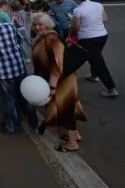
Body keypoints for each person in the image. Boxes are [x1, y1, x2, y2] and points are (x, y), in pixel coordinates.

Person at [31, 12, 86, 152]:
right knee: (68, 107)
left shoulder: (52, 38)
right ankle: (75, 135)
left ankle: (72, 143)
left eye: (40, 24)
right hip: (58, 79)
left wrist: (52, 86)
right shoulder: (42, 38)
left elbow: (57, 65)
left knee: (65, 110)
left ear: (47, 24)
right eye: (35, 25)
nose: (37, 27)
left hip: (61, 80)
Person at [0, 11, 38, 133]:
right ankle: (33, 121)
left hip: (2, 72)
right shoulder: (10, 26)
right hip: (18, 67)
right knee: (25, 94)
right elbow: (20, 40)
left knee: (9, 100)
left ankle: (12, 127)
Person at [71, 0, 118, 97]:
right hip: (102, 36)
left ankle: (111, 89)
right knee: (94, 57)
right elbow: (105, 19)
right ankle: (94, 75)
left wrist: (72, 21)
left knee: (98, 62)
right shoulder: (98, 5)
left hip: (88, 39)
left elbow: (76, 27)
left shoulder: (78, 10)